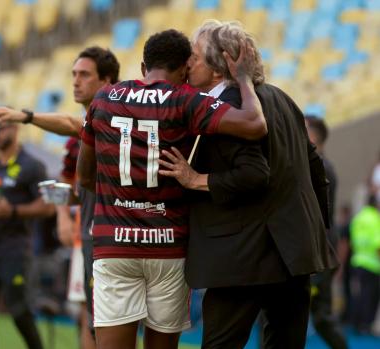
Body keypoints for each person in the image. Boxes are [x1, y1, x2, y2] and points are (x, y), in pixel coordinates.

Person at [76, 29, 267, 349]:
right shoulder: (185, 99)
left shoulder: (104, 98)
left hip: (114, 246)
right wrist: (244, 79)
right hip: (168, 247)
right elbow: (254, 124)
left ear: (141, 67)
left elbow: (83, 176)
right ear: (183, 71)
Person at [158, 21, 337, 348]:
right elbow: (316, 170)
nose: (188, 64)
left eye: (195, 57)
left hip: (241, 259)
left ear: (218, 66)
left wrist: (195, 179)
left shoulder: (225, 107)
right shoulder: (283, 98)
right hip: (294, 254)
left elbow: (254, 174)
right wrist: (312, 231)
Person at [0, 46, 120, 348]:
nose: (75, 81)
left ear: (107, 81)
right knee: (93, 316)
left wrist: (26, 116)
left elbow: (76, 126)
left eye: (84, 74)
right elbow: (71, 185)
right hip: (88, 234)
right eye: (73, 74)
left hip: (115, 236)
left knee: (113, 320)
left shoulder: (114, 120)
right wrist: (62, 212)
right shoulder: (76, 145)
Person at [0, 121, 55, 349]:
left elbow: (49, 206)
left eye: (3, 128)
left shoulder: (32, 165)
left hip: (15, 250)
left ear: (16, 129)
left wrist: (13, 211)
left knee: (20, 313)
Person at [305, 115, 348, 348]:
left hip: (317, 253)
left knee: (321, 317)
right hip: (317, 252)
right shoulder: (319, 164)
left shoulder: (320, 167)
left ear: (313, 136)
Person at [349, 194, 380, 335]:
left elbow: (352, 240)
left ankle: (356, 322)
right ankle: (366, 325)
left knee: (359, 293)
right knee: (370, 295)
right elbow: (377, 244)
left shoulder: (358, 218)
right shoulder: (375, 218)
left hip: (357, 260)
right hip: (372, 263)